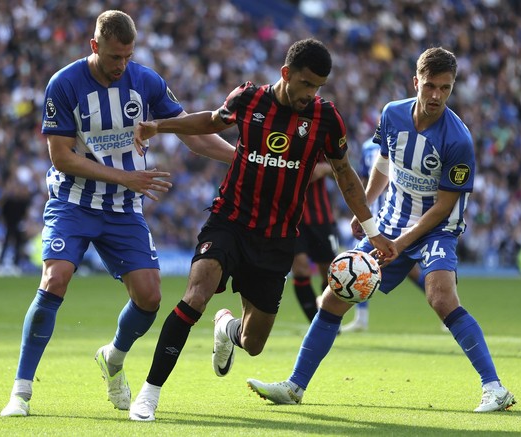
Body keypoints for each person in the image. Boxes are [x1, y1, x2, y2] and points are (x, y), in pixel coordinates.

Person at [128, 38, 398, 421]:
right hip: (229, 220)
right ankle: (149, 394)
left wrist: (372, 231)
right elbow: (210, 120)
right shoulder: (249, 98)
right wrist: (159, 125)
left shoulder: (325, 118)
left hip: (276, 238)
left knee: (253, 344)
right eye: (305, 83)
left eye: (318, 86)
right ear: (286, 73)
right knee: (196, 293)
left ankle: (227, 327)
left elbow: (344, 174)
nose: (311, 93)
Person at [247, 47, 516, 413]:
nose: (436, 95)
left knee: (440, 297)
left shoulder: (458, 140)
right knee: (332, 296)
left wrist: (400, 243)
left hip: (437, 229)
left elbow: (443, 206)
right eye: (430, 86)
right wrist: (368, 209)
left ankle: (494, 388)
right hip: (389, 221)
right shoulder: (392, 114)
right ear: (416, 81)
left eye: (445, 88)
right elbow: (383, 164)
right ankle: (295, 386)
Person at [0, 10, 235, 417]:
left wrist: (241, 160)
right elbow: (61, 157)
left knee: (150, 297)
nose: (121, 65)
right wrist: (124, 177)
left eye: (127, 56)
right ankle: (20, 392)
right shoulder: (65, 84)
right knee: (55, 279)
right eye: (114, 57)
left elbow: (191, 134)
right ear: (95, 47)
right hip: (73, 201)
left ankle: (113, 357)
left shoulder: (145, 82)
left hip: (123, 208)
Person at [341, 137, 425, 333]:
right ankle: (360, 317)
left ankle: (445, 305)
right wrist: (361, 209)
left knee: (363, 265)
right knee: (361, 263)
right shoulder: (373, 146)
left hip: (389, 218)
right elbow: (363, 179)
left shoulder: (403, 143)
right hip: (379, 216)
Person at [292, 157, 339, 323]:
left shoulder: (321, 139)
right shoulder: (282, 140)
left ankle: (328, 315)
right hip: (292, 219)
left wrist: (325, 168)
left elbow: (341, 169)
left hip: (321, 218)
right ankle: (316, 323)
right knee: (301, 270)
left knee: (330, 273)